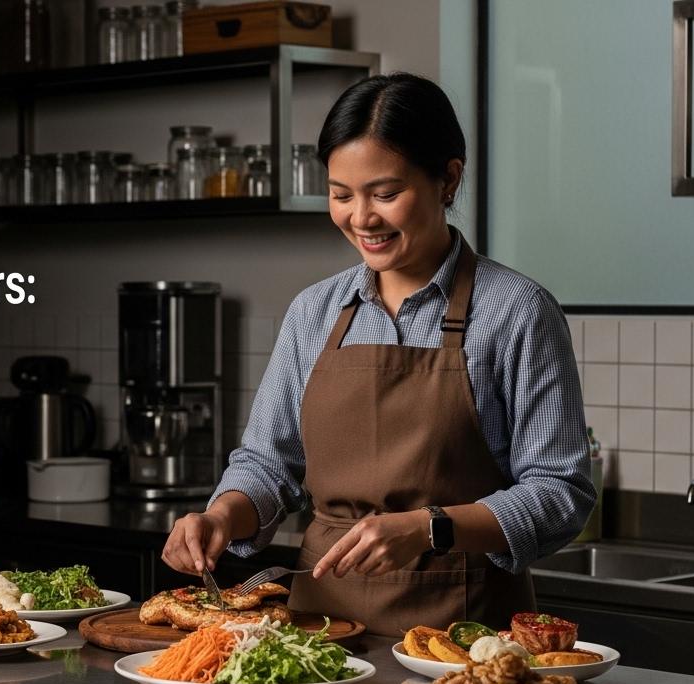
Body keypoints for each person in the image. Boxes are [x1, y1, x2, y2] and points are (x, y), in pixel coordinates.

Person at [160, 72, 594, 637]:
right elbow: (270, 462)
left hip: (462, 646)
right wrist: (222, 514)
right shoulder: (314, 311)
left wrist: (429, 528)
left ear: (448, 179)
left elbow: (561, 491)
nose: (361, 218)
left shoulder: (518, 311)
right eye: (341, 194)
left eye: (385, 194)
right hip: (315, 639)